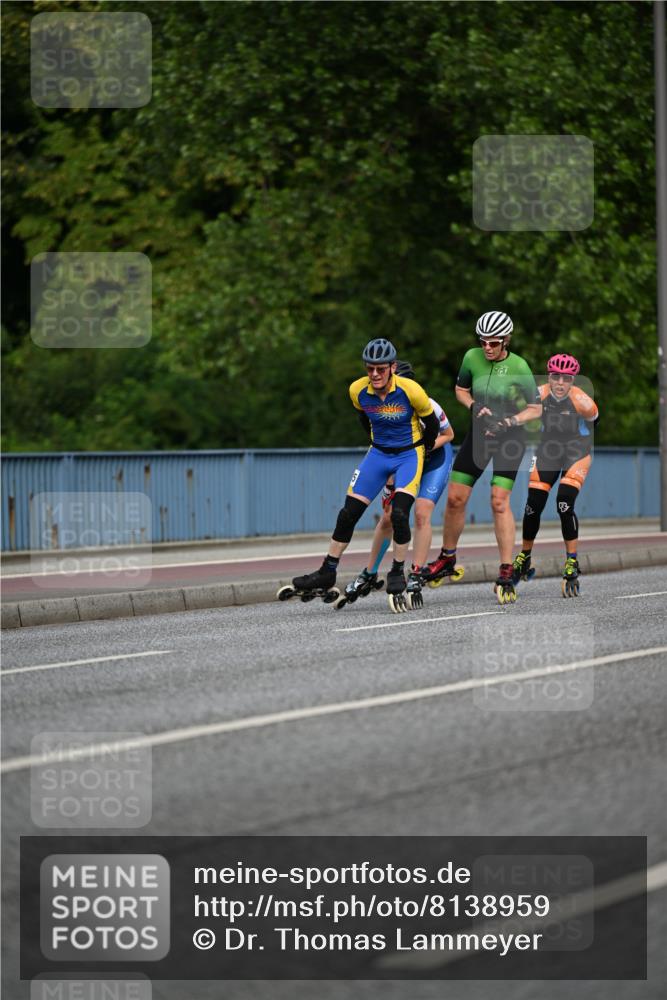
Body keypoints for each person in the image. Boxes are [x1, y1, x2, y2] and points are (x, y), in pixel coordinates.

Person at [289, 339, 441, 612]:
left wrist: (425, 451)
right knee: (348, 513)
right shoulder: (357, 390)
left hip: (409, 454)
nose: (374, 375)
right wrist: (376, 443)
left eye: (380, 369)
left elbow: (431, 424)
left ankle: (396, 572)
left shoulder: (411, 390)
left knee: (398, 514)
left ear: (393, 367)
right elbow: (363, 419)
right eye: (370, 369)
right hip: (378, 454)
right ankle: (328, 570)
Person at [422, 311, 542, 604]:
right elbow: (460, 390)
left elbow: (535, 409)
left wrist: (509, 422)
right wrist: (474, 405)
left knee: (498, 502)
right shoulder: (471, 358)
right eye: (483, 342)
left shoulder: (519, 366)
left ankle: (505, 568)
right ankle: (447, 558)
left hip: (510, 438)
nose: (487, 347)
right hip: (480, 435)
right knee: (455, 498)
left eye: (494, 342)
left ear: (506, 340)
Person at [339, 360, 455, 609]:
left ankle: (415, 574)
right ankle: (369, 574)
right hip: (402, 459)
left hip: (433, 459)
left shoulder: (426, 404)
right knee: (389, 516)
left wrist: (422, 450)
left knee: (422, 513)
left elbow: (449, 434)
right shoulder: (380, 403)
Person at [511, 353, 598, 597]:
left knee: (563, 504)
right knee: (532, 506)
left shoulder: (583, 402)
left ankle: (572, 560)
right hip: (548, 451)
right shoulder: (538, 395)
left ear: (573, 381)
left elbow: (594, 423)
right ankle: (525, 556)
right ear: (549, 377)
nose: (560, 383)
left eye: (566, 379)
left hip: (576, 453)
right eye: (555, 377)